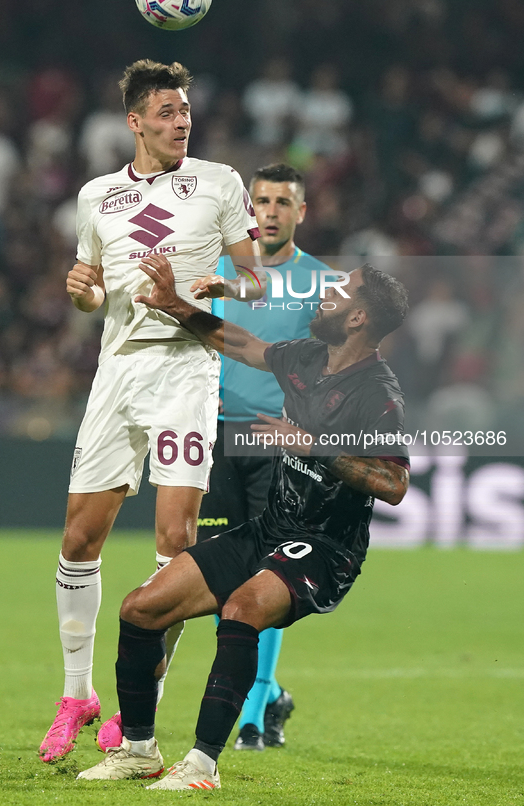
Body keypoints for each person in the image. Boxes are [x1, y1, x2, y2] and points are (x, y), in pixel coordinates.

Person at [75, 253, 410, 789]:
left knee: (241, 610)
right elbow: (242, 345)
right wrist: (175, 306)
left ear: (358, 318)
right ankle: (138, 750)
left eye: (340, 290)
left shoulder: (377, 392)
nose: (326, 293)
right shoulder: (307, 357)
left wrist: (318, 447)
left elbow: (394, 483)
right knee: (140, 608)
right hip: (270, 530)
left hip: (326, 548)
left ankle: (202, 765)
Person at [39, 59, 264, 763]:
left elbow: (256, 280)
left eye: (185, 111)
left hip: (186, 369)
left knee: (176, 536)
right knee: (79, 537)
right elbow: (91, 294)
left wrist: (221, 282)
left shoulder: (220, 182)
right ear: (134, 120)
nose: (180, 121)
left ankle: (144, 706)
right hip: (118, 373)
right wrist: (80, 290)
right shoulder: (97, 196)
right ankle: (77, 693)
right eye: (166, 112)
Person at [198, 162, 328, 751]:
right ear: (248, 209)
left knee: (268, 575)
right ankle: (268, 695)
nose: (271, 211)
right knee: (214, 578)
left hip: (279, 443)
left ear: (302, 212)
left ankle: (254, 709)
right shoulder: (220, 271)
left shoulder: (323, 286)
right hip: (217, 437)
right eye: (262, 201)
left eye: (283, 202)